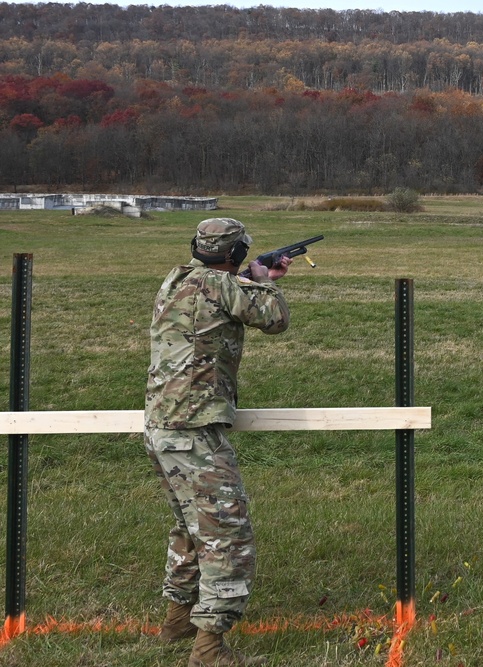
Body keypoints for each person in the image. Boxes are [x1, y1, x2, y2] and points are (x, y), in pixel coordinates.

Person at [144, 218, 292, 667]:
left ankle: (177, 622)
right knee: (228, 537)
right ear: (237, 255)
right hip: (193, 431)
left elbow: (218, 292)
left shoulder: (177, 279)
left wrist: (246, 277)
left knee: (191, 528)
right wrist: (264, 282)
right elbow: (275, 318)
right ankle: (208, 650)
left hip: (162, 427)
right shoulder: (223, 285)